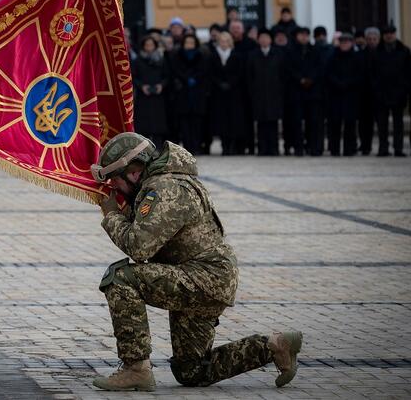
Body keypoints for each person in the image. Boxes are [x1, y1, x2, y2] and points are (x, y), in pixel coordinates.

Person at [90, 132, 303, 391]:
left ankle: (136, 368)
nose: (114, 187)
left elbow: (139, 246)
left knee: (120, 278)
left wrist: (112, 215)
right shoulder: (165, 182)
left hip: (204, 278)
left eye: (115, 180)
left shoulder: (165, 189)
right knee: (191, 370)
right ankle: (274, 346)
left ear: (133, 173)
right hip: (206, 277)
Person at [164, 34, 208, 154]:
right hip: (182, 93)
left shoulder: (201, 56)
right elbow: (175, 72)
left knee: (197, 122)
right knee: (184, 122)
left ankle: (196, 146)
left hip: (197, 93)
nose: (189, 45)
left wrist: (195, 79)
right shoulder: (177, 56)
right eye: (187, 42)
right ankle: (187, 147)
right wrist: (186, 79)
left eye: (191, 42)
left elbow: (204, 72)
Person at [371, 26, 411, 157]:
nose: (389, 36)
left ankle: (398, 148)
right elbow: (371, 73)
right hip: (381, 94)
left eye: (391, 33)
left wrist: (404, 88)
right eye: (386, 33)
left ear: (395, 34)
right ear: (383, 36)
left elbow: (408, 72)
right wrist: (376, 88)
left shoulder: (404, 51)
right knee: (382, 124)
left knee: (398, 123)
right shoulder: (377, 51)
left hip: (398, 93)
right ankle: (383, 148)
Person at [287, 27, 324, 156]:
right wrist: (300, 79)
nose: (303, 37)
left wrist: (310, 80)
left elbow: (319, 68)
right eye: (301, 35)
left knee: (313, 121)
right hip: (296, 91)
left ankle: (313, 147)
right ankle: (298, 148)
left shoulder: (315, 50)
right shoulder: (291, 51)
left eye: (306, 35)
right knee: (296, 122)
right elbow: (289, 69)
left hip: (313, 92)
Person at [247, 29, 285, 155]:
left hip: (274, 94)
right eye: (261, 37)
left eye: (266, 37)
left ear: (270, 40)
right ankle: (262, 148)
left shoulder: (278, 54)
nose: (264, 40)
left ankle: (274, 148)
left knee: (273, 122)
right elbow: (249, 76)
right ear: (258, 40)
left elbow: (282, 75)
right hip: (259, 94)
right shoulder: (253, 55)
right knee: (261, 123)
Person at [208, 31, 245, 155]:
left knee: (233, 120)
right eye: (221, 41)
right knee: (221, 120)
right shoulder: (213, 56)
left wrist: (230, 83)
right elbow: (211, 73)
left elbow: (239, 73)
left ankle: (233, 146)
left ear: (230, 42)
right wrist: (220, 83)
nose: (224, 44)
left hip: (234, 93)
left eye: (226, 41)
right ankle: (225, 145)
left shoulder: (237, 55)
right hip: (218, 93)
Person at [325, 33, 362, 156]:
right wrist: (337, 83)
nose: (344, 44)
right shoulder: (332, 57)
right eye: (342, 42)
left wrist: (348, 83)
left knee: (350, 124)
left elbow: (359, 75)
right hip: (335, 94)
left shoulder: (357, 58)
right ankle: (334, 149)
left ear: (351, 43)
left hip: (351, 95)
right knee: (335, 123)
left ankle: (349, 149)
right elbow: (328, 73)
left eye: (347, 42)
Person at [132, 36, 169, 147]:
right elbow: (133, 77)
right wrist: (142, 86)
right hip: (144, 96)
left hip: (158, 96)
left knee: (158, 123)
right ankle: (144, 148)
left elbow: (167, 76)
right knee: (144, 124)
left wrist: (161, 85)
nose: (149, 47)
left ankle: (158, 147)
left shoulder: (161, 60)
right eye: (147, 45)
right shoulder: (137, 60)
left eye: (151, 45)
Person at [230, 20, 257, 154]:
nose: (235, 31)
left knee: (248, 119)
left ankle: (251, 146)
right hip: (233, 89)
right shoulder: (229, 44)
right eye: (233, 28)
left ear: (242, 30)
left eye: (238, 28)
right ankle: (237, 147)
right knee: (235, 119)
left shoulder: (251, 44)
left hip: (248, 87)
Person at [358, 27, 381, 155]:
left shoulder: (382, 53)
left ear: (378, 39)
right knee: (364, 122)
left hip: (379, 94)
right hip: (363, 94)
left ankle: (384, 146)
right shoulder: (360, 54)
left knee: (380, 122)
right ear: (366, 40)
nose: (372, 41)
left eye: (374, 39)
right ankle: (365, 145)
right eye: (369, 39)